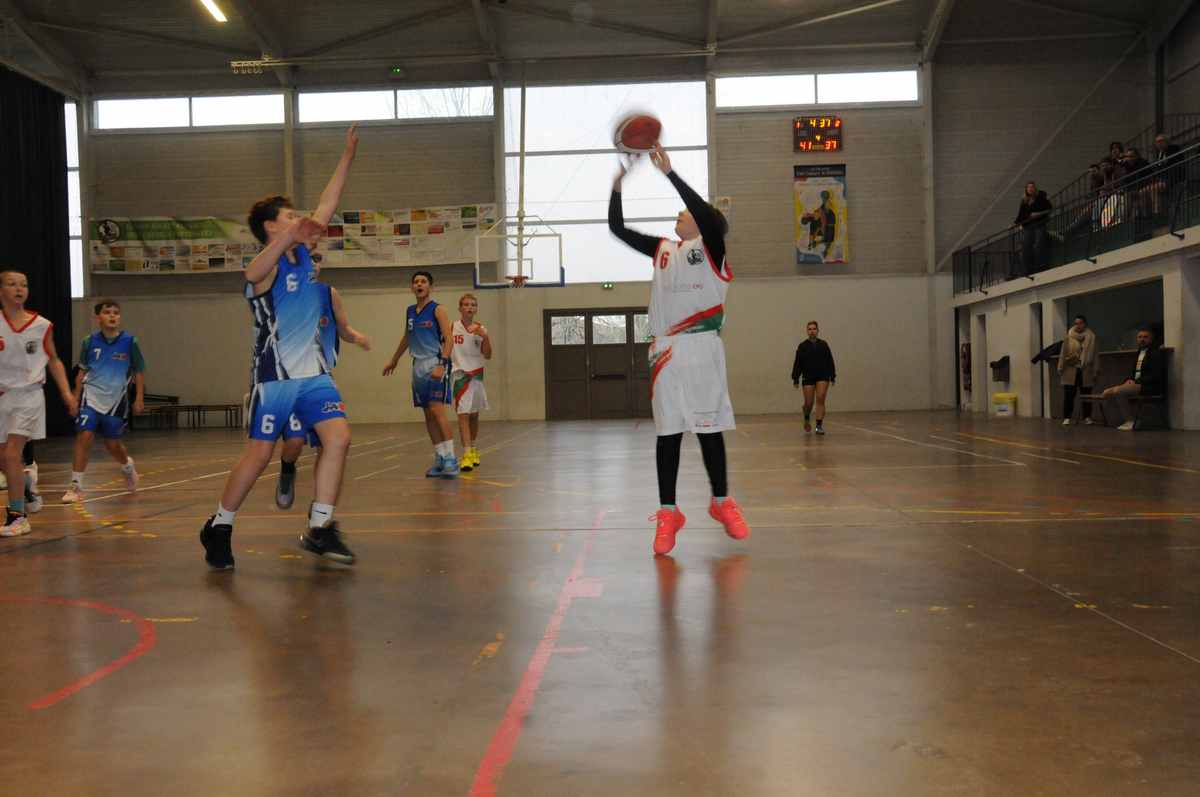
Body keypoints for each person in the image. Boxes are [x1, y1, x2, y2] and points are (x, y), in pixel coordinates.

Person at [199, 123, 360, 570]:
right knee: (259, 454)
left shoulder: (305, 255)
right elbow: (251, 274)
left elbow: (327, 204)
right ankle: (220, 526)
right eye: (290, 217)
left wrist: (347, 155)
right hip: (275, 379)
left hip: (315, 376)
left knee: (339, 438)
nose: (300, 219)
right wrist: (290, 236)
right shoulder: (267, 267)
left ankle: (320, 528)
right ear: (271, 227)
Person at [608, 142, 749, 555]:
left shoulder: (712, 249)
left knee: (709, 430)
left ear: (705, 223)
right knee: (668, 433)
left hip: (703, 347)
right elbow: (618, 229)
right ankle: (668, 512)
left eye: (686, 212)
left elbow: (704, 213)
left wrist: (670, 173)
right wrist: (617, 187)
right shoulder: (663, 250)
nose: (681, 213)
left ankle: (721, 500)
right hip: (666, 349)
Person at [274, 275, 371, 510]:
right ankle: (287, 468)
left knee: (330, 445)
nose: (312, 264)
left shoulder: (329, 293)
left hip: (321, 379)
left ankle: (320, 505)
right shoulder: (281, 292)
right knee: (295, 441)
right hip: (290, 380)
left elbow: (343, 328)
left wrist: (356, 337)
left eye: (317, 259)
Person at [0, 270, 77, 537]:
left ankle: (17, 517)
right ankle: (26, 486)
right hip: (3, 397)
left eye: (23, 284)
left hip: (29, 395)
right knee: (4, 458)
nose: (19, 288)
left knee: (12, 454)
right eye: (12, 284)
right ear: (1, 291)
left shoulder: (41, 325)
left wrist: (67, 393)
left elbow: (53, 360)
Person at [61, 299, 145, 503]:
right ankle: (76, 486)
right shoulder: (89, 342)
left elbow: (139, 371)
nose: (112, 315)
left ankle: (127, 466)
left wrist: (139, 398)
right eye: (108, 312)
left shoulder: (130, 342)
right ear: (98, 317)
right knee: (84, 435)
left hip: (115, 401)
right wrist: (75, 398)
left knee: (112, 443)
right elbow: (81, 372)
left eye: (116, 312)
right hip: (90, 396)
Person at [383, 271, 458, 478]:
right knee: (428, 414)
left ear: (430, 287)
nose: (419, 284)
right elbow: (407, 337)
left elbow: (449, 339)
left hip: (435, 362)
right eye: (416, 282)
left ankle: (451, 457)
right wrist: (394, 359)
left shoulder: (438, 310)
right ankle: (440, 457)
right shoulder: (410, 311)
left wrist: (442, 364)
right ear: (411, 287)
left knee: (437, 410)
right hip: (418, 366)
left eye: (423, 281)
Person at [450, 293, 492, 472]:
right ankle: (466, 454)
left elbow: (488, 355)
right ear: (460, 308)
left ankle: (473, 448)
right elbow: (445, 347)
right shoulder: (452, 327)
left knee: (474, 415)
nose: (469, 307)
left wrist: (485, 337)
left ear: (476, 309)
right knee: (463, 415)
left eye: (473, 305)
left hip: (476, 376)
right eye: (466, 304)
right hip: (460, 376)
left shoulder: (481, 329)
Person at [1100, 327, 1165, 431]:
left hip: (1150, 386)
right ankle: (1114, 421)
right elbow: (1134, 373)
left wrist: (1135, 381)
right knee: (1106, 392)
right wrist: (1129, 380)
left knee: (1118, 391)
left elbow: (1155, 375)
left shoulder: (1155, 353)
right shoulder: (1139, 352)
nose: (1142, 339)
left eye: (1145, 337)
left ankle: (1130, 420)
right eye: (1140, 337)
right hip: (1137, 384)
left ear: (1151, 339)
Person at [791, 321, 836, 434]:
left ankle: (819, 426)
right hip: (808, 376)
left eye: (814, 329)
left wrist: (832, 375)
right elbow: (798, 363)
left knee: (820, 398)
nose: (812, 331)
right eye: (810, 329)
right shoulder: (802, 346)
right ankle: (806, 416)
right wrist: (795, 378)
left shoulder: (824, 344)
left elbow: (829, 360)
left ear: (817, 330)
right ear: (807, 331)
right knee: (809, 403)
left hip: (822, 375)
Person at [1057, 314, 1097, 427]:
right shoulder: (1069, 336)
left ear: (1085, 324)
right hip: (1070, 369)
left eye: (1080, 323)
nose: (1078, 325)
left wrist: (1095, 370)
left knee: (1087, 395)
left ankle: (1087, 417)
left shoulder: (1091, 337)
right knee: (1069, 395)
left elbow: (1095, 355)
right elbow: (1063, 352)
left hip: (1085, 369)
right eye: (1076, 323)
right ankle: (1067, 417)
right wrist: (1060, 367)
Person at [1013, 181, 1052, 276]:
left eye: (1032, 187)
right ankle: (1028, 269)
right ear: (1026, 189)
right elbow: (1021, 215)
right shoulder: (1024, 200)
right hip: (1028, 226)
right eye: (1028, 187)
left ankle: (1040, 267)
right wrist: (1015, 224)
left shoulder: (1040, 198)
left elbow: (1049, 209)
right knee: (1025, 247)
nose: (1030, 189)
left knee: (1038, 245)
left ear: (1035, 188)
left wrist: (1038, 214)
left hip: (1039, 224)